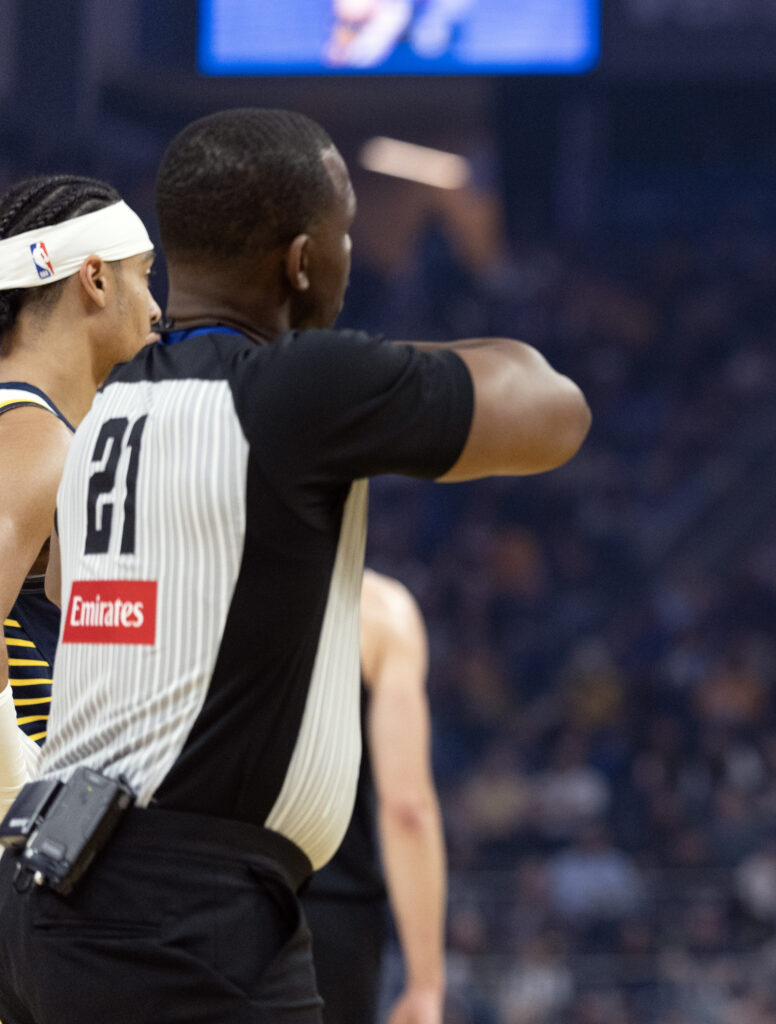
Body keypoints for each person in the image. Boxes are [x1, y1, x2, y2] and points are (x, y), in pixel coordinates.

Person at [0, 107, 589, 1024]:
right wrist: (370, 371)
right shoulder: (298, 390)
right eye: (348, 235)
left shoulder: (110, 405)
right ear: (305, 259)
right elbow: (554, 409)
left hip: (121, 893)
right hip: (173, 910)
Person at [0, 175, 160, 803]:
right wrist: (16, 787)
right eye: (145, 274)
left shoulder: (44, 433)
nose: (155, 306)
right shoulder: (37, 443)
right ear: (94, 278)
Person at [303, 570, 445, 1024]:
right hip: (331, 917)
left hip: (206, 898)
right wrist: (426, 985)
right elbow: (407, 808)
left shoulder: (193, 582)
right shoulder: (381, 611)